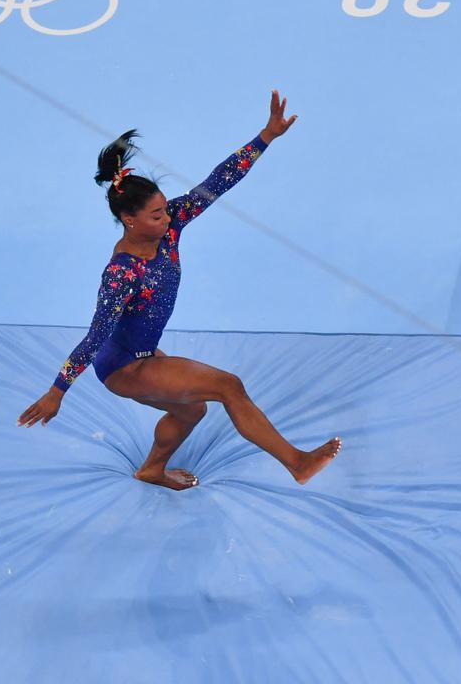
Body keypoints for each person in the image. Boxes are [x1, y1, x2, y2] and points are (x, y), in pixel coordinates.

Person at [17, 90, 341, 490]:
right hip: (124, 367)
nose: (167, 217)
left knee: (192, 411)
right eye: (155, 215)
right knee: (228, 386)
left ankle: (151, 470)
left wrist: (266, 137)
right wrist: (57, 391)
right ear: (128, 220)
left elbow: (217, 182)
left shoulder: (170, 227)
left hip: (143, 353)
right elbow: (97, 334)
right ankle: (297, 463)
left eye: (166, 207)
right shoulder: (121, 273)